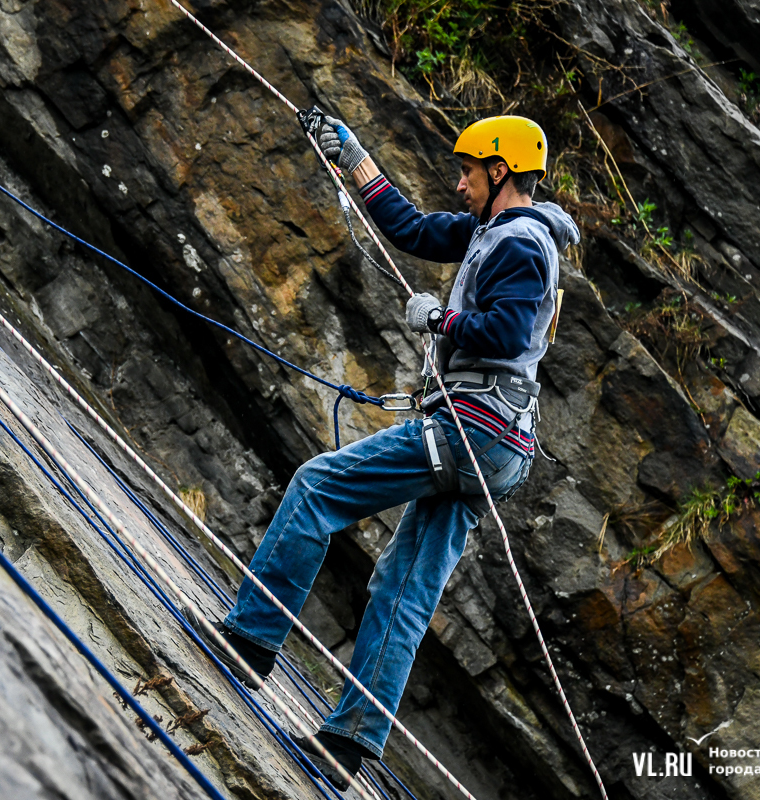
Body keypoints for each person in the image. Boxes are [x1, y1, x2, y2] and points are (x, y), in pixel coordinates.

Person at [185, 115, 580, 788]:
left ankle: (251, 639)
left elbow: (506, 333)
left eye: (468, 172)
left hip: (472, 430)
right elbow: (412, 229)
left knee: (317, 487)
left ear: (501, 172)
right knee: (402, 589)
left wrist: (439, 319)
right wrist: (355, 156)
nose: (459, 184)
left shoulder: (519, 244)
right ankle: (349, 743)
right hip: (498, 445)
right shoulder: (494, 231)